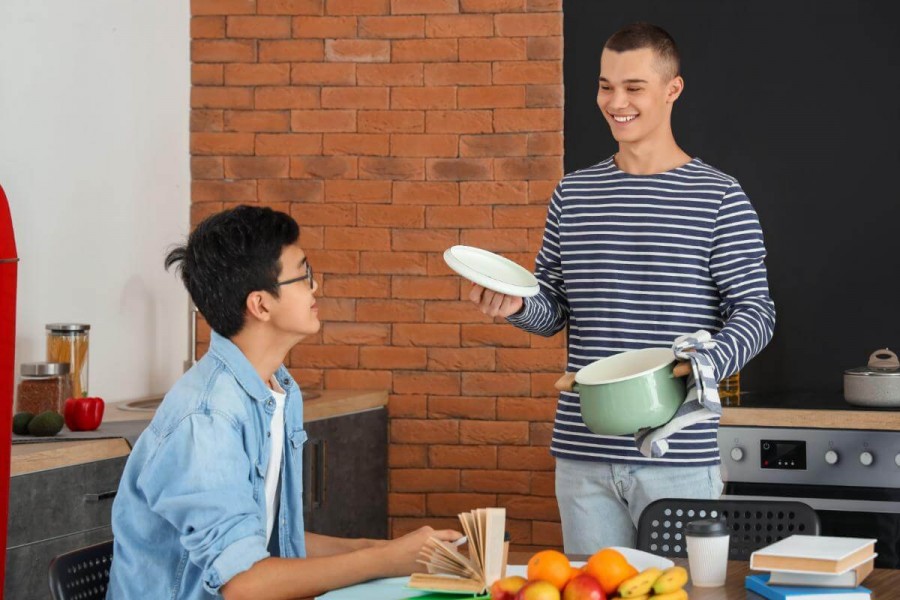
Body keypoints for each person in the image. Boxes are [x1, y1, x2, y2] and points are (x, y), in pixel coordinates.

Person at [469, 22, 775, 553]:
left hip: (679, 457)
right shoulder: (574, 193)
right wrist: (518, 304)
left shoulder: (720, 196)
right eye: (606, 86)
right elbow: (555, 310)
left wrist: (701, 364)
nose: (616, 102)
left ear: (672, 89)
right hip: (582, 456)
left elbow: (756, 310)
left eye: (634, 87)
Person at [107, 206, 460, 599]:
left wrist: (387, 550)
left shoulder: (278, 390)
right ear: (260, 304)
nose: (316, 286)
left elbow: (276, 538)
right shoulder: (207, 420)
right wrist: (387, 560)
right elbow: (244, 584)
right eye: (303, 274)